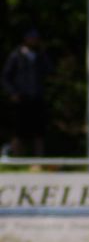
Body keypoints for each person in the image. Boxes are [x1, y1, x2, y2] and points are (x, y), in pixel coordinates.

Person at [2, 28, 54, 157]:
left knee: (39, 131)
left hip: (37, 97)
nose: (34, 41)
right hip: (22, 98)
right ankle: (15, 157)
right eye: (31, 38)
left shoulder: (40, 56)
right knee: (19, 130)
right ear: (25, 39)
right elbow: (5, 77)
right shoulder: (16, 55)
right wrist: (13, 92)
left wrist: (43, 53)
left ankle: (38, 160)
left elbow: (49, 70)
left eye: (36, 38)